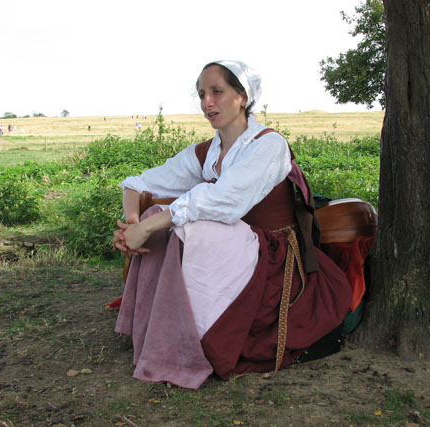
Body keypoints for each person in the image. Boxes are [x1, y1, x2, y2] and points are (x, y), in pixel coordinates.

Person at [112, 60, 352, 389]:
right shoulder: (207, 151)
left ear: (242, 96)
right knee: (157, 219)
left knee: (181, 224)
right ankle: (170, 335)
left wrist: (152, 226)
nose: (207, 102)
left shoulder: (268, 145)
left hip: (272, 258)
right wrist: (133, 223)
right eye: (201, 94)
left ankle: (199, 339)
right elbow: (138, 183)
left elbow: (223, 201)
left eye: (217, 92)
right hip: (231, 250)